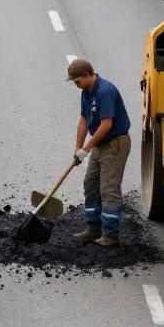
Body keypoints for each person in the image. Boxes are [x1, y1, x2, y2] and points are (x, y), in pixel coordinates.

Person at [68, 58, 131, 247]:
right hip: (99, 144)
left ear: (88, 75)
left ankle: (110, 235)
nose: (76, 85)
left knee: (108, 189)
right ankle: (92, 229)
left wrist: (86, 150)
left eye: (77, 81)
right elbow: (83, 120)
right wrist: (78, 149)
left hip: (114, 143)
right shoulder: (86, 92)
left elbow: (106, 125)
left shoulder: (105, 91)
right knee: (90, 184)